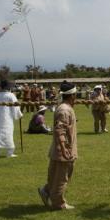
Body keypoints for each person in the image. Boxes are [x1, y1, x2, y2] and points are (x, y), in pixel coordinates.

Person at [38, 81, 78, 210]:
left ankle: (46, 191)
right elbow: (59, 130)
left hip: (59, 149)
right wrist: (64, 149)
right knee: (62, 177)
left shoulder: (64, 108)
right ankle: (58, 203)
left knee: (55, 175)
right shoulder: (65, 110)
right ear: (72, 95)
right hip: (64, 150)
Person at [0, 80, 23, 158]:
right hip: (7, 118)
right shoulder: (11, 95)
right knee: (8, 134)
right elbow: (15, 107)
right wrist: (19, 114)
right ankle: (9, 153)